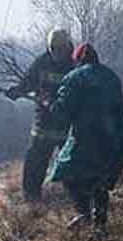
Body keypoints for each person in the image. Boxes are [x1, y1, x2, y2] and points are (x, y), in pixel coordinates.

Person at [44, 43, 123, 236]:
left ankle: (84, 213)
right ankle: (99, 223)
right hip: (114, 137)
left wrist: (49, 103)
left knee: (65, 170)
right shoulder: (111, 76)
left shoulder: (74, 78)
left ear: (78, 60)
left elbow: (62, 112)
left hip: (86, 138)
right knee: (99, 177)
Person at [5, 28, 76, 202]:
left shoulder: (75, 64)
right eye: (54, 49)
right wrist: (17, 91)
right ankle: (31, 196)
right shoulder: (41, 63)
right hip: (44, 121)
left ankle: (76, 196)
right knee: (36, 159)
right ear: (49, 47)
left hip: (67, 122)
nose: (58, 53)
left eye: (61, 49)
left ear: (68, 47)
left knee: (71, 160)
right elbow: (28, 82)